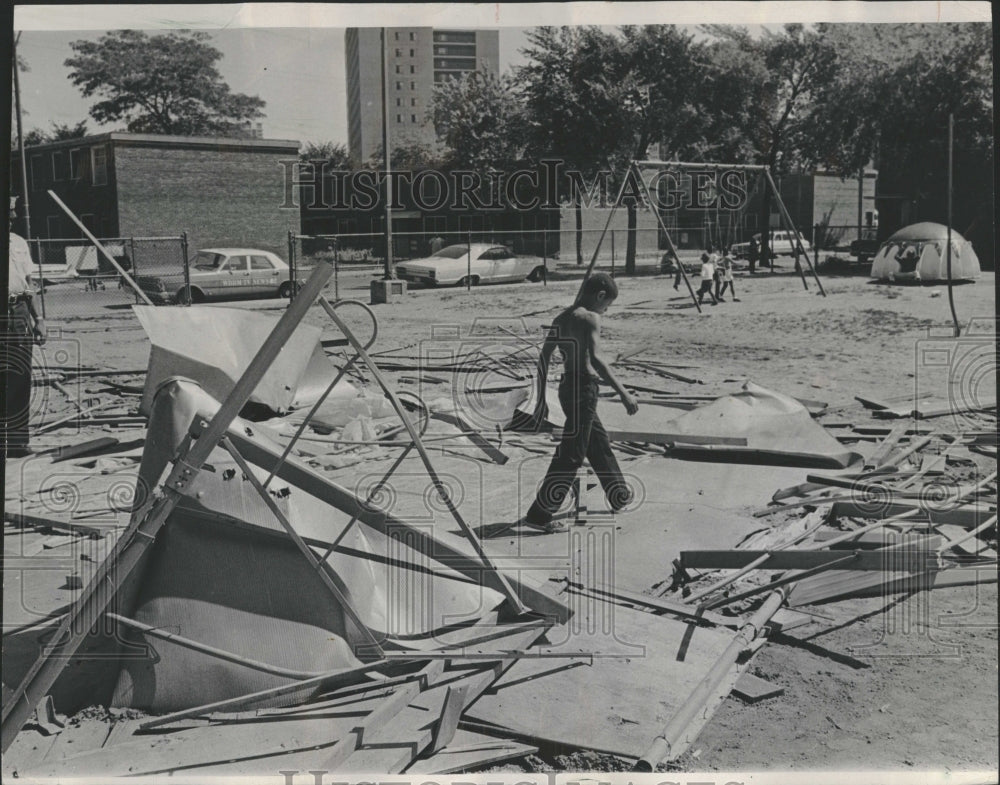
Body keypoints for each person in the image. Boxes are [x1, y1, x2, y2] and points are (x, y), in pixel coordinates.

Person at [522, 273, 638, 532]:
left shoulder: (561, 319)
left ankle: (618, 494)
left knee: (596, 441)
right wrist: (624, 393)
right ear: (599, 296)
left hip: (567, 389)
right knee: (573, 453)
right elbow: (596, 359)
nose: (606, 310)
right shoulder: (590, 318)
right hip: (584, 389)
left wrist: (540, 400)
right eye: (607, 304)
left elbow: (543, 359)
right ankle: (540, 513)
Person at [4, 214, 47, 458]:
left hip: (19, 311)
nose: (12, 217)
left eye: (12, 213)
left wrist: (38, 319)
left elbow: (29, 283)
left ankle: (17, 442)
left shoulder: (19, 242)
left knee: (20, 377)